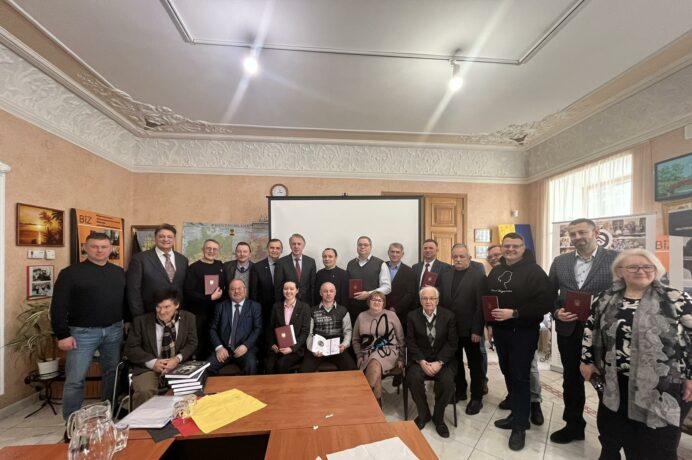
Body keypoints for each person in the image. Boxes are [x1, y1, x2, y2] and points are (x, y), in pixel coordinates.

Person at [581, 249, 692, 460]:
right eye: (633, 267)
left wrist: (691, 376)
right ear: (620, 271)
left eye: (648, 266)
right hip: (614, 380)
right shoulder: (605, 297)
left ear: (656, 270)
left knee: (656, 441)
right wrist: (586, 361)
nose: (641, 271)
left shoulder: (676, 298)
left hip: (662, 385)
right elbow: (590, 329)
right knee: (613, 430)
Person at [549, 218, 618, 444]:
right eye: (573, 234)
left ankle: (610, 438)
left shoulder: (615, 259)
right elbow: (549, 294)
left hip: (602, 335)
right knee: (571, 380)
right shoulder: (560, 261)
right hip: (569, 331)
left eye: (582, 232)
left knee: (604, 383)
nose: (577, 237)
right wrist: (556, 312)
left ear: (595, 232)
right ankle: (574, 426)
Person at [487, 232, 555, 451]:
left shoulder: (534, 271)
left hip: (523, 332)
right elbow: (488, 299)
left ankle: (519, 427)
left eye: (515, 246)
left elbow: (546, 303)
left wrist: (514, 313)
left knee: (520, 377)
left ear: (523, 248)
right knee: (507, 372)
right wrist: (489, 324)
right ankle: (517, 414)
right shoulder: (496, 271)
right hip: (501, 332)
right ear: (502, 247)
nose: (511, 249)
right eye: (507, 246)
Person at [50, 233, 126, 422]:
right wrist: (62, 335)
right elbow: (58, 306)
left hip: (114, 331)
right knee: (75, 379)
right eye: (94, 246)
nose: (99, 250)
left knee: (112, 374)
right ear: (85, 248)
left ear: (110, 249)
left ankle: (108, 414)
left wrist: (128, 322)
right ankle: (72, 422)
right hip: (82, 333)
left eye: (104, 246)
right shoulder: (70, 273)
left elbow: (124, 302)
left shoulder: (118, 272)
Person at [125, 289, 197, 409]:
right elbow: (130, 348)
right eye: (158, 307)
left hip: (178, 366)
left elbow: (192, 343)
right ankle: (142, 420)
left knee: (190, 390)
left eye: (167, 307)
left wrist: (177, 359)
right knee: (144, 391)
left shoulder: (189, 318)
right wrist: (153, 363)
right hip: (148, 368)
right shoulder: (141, 322)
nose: (162, 312)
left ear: (177, 305)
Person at [439, 244, 485, 415]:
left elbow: (480, 306)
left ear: (469, 258)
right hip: (450, 329)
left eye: (462, 256)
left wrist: (477, 330)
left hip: (470, 329)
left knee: (475, 364)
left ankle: (477, 397)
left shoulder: (478, 276)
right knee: (455, 362)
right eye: (455, 256)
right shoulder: (445, 274)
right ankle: (460, 391)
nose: (458, 259)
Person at [407, 286, 458, 438]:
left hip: (443, 361)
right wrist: (422, 361)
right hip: (420, 360)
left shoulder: (449, 316)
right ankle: (424, 414)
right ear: (420, 300)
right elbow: (410, 342)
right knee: (413, 378)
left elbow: (452, 343)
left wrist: (440, 362)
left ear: (437, 300)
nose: (428, 301)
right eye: (425, 298)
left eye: (432, 298)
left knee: (447, 383)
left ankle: (439, 417)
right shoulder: (412, 316)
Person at [352, 291, 404, 404]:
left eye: (379, 300)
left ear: (383, 303)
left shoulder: (391, 315)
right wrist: (359, 355)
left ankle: (365, 397)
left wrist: (401, 357)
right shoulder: (361, 316)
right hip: (367, 352)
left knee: (375, 360)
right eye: (374, 300)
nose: (376, 302)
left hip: (389, 351)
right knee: (376, 370)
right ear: (368, 302)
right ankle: (376, 405)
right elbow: (355, 339)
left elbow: (401, 338)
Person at [127, 223, 188, 318]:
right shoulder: (140, 259)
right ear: (155, 238)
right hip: (149, 315)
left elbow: (184, 288)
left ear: (174, 239)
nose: (166, 239)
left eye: (169, 237)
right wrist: (139, 317)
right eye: (161, 236)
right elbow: (133, 291)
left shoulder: (183, 260)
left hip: (176, 314)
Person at [207, 279, 262, 375]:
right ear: (228, 291)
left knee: (251, 365)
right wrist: (219, 347)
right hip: (224, 349)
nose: (236, 291)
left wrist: (246, 346)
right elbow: (212, 329)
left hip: (245, 349)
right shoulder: (220, 307)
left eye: (239, 288)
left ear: (245, 290)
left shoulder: (255, 307)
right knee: (207, 367)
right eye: (233, 289)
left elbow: (258, 329)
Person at [183, 239, 227, 359]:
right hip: (199, 312)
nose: (211, 251)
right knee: (200, 340)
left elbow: (225, 286)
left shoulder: (220, 265)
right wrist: (209, 297)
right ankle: (198, 364)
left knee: (214, 339)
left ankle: (212, 363)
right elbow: (188, 292)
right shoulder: (194, 268)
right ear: (203, 249)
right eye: (208, 248)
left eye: (214, 249)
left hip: (217, 311)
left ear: (218, 251)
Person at [301, 282, 357, 372]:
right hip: (318, 349)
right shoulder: (312, 311)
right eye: (325, 291)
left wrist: (344, 344)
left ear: (335, 293)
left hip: (337, 348)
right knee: (304, 371)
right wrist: (312, 349)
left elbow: (348, 331)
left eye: (331, 291)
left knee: (352, 369)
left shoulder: (343, 310)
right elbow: (309, 333)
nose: (328, 294)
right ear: (320, 293)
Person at [265, 280, 311, 373]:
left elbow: (305, 332)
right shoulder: (276, 307)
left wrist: (292, 348)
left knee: (281, 364)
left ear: (297, 290)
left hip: (295, 349)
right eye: (285, 289)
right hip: (278, 347)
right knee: (269, 366)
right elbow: (270, 328)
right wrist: (272, 344)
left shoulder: (305, 307)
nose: (288, 291)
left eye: (291, 289)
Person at [251, 238, 283, 370]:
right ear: (267, 249)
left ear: (281, 250)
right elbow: (253, 292)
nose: (274, 250)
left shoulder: (285, 265)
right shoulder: (257, 267)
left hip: (282, 310)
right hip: (264, 310)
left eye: (277, 248)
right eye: (272, 248)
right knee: (264, 339)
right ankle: (263, 368)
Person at [346, 236, 391, 324]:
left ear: (371, 247)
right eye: (360, 245)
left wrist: (369, 294)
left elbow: (387, 287)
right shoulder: (350, 264)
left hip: (373, 308)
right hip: (353, 308)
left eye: (365, 245)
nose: (362, 247)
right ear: (357, 247)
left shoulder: (380, 264)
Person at [274, 233, 316, 305]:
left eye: (299, 244)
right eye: (293, 244)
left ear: (303, 246)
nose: (296, 246)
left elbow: (313, 285)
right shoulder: (281, 262)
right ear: (290, 245)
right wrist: (279, 305)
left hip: (306, 303)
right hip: (287, 303)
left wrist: (312, 304)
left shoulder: (311, 262)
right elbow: (278, 287)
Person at [385, 242, 417, 333]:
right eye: (392, 251)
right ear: (388, 253)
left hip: (401, 313)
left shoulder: (409, 271)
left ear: (402, 254)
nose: (394, 254)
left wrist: (396, 308)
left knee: (399, 337)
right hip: (380, 309)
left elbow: (410, 294)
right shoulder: (381, 267)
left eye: (397, 252)